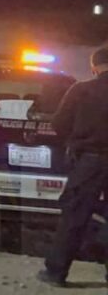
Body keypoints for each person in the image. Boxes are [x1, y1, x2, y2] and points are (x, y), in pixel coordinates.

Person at [38, 46, 108, 287]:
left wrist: (74, 140)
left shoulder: (81, 90)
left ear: (94, 67)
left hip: (89, 162)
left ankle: (56, 273)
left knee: (74, 217)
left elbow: (59, 124)